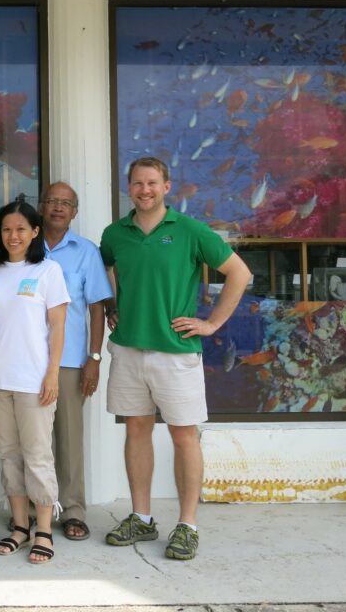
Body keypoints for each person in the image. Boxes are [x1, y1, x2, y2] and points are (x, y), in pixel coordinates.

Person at [101, 157, 251, 561]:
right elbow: (110, 270)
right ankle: (142, 517)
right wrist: (114, 303)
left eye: (152, 183)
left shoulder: (189, 230)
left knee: (184, 436)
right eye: (137, 183)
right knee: (136, 431)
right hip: (129, 348)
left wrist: (212, 323)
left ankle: (187, 525)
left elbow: (240, 273)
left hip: (176, 352)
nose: (144, 190)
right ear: (128, 188)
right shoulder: (115, 233)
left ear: (167, 186)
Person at [0, 200, 69, 565]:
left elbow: (58, 328)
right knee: (8, 456)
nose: (13, 235)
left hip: (35, 380)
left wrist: (52, 373)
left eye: (21, 229)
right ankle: (19, 527)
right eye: (6, 229)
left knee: (37, 456)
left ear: (35, 231)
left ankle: (44, 530)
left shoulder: (48, 271)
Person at [40, 182, 112, 541]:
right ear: (41, 206)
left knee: (68, 439)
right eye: (52, 201)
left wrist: (94, 358)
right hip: (27, 359)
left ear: (75, 212)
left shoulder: (86, 252)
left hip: (69, 360)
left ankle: (72, 510)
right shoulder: (23, 245)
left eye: (65, 203)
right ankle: (33, 511)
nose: (57, 208)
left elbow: (97, 307)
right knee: (31, 441)